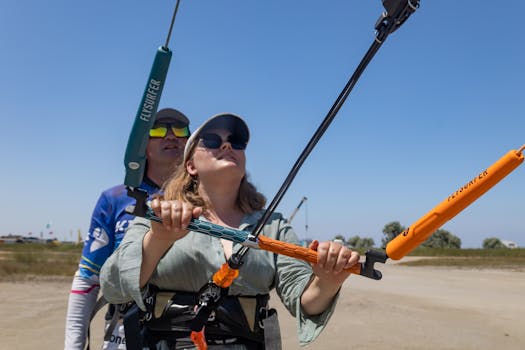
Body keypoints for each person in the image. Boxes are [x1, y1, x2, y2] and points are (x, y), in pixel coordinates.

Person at [100, 113, 360, 349]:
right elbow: (114, 288)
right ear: (190, 165)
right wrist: (158, 239)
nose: (227, 146)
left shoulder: (274, 226)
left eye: (237, 142)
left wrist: (328, 281)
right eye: (212, 140)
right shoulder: (157, 214)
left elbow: (304, 300)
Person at [65, 108, 191, 350]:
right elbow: (87, 279)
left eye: (179, 130)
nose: (170, 136)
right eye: (157, 129)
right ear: (142, 145)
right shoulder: (114, 198)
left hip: (187, 335)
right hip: (125, 333)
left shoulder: (203, 199)